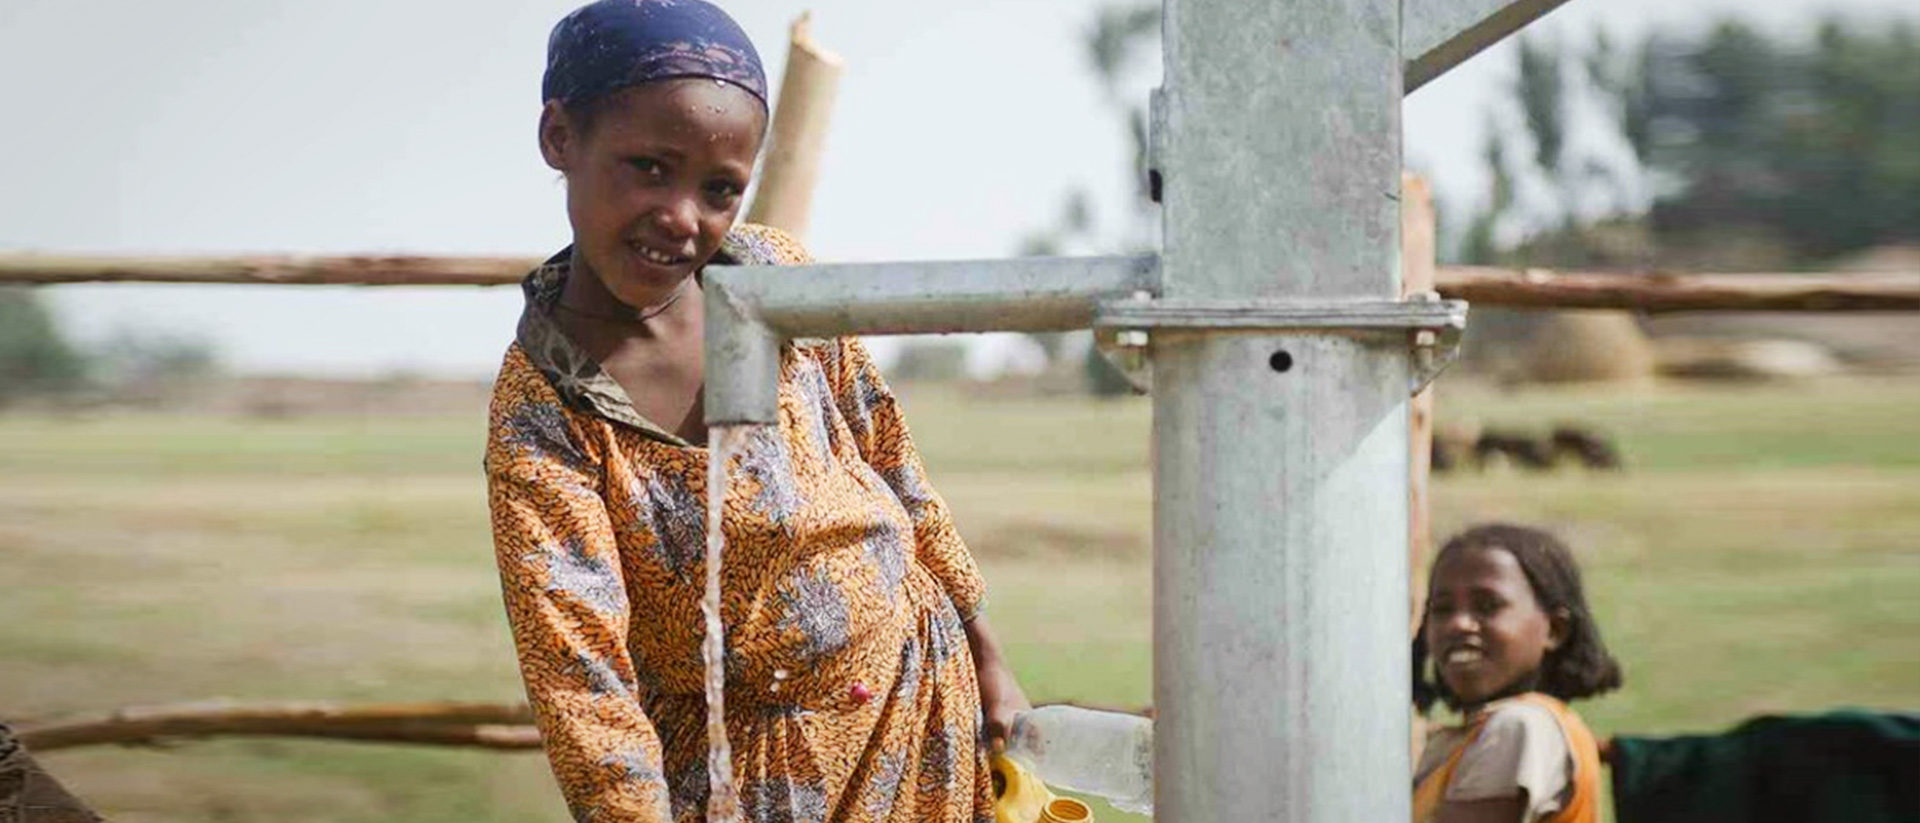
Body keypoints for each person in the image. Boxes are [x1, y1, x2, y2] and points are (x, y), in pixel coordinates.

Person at [484, 2, 1029, 821]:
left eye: (719, 189)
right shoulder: (544, 414)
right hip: (747, 777)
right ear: (560, 138)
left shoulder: (775, 277)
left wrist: (988, 653)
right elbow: (580, 677)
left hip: (916, 706)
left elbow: (889, 453)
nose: (681, 217)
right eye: (648, 167)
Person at [1411, 524, 1624, 823]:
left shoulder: (1520, 726)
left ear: (1554, 630)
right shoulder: (1472, 734)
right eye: (1442, 609)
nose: (1459, 623)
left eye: (1487, 606)